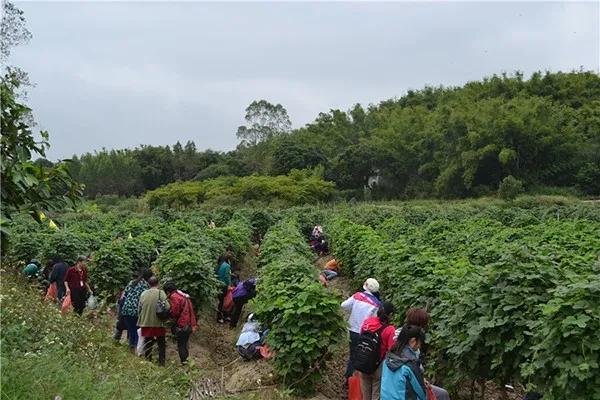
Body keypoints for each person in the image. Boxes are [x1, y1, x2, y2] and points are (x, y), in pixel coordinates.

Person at [394, 308, 450, 400]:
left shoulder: (400, 335)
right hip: (405, 385)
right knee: (441, 394)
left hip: (405, 381)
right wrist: (422, 383)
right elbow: (412, 375)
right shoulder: (408, 348)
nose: (419, 346)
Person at [341, 278, 381, 381]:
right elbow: (375, 319)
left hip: (352, 329)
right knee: (363, 355)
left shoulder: (358, 295)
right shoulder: (377, 304)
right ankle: (358, 380)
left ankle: (349, 379)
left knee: (353, 355)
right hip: (365, 333)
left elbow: (343, 305)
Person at [359, 302, 397, 400]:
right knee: (376, 395)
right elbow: (392, 350)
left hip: (363, 361)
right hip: (378, 366)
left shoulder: (368, 322)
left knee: (365, 394)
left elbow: (361, 336)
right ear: (390, 315)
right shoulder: (390, 329)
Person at [381, 325, 427, 400]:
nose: (419, 346)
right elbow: (421, 392)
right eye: (420, 343)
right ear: (413, 341)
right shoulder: (410, 363)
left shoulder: (388, 358)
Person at [138, 276, 170, 366]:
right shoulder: (161, 293)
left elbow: (139, 308)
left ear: (148, 284)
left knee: (148, 343)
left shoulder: (143, 294)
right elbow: (167, 306)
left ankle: (148, 361)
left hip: (146, 322)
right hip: (158, 322)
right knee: (161, 344)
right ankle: (161, 363)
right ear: (158, 283)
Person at [164, 281, 197, 364]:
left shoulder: (174, 297)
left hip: (182, 324)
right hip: (189, 323)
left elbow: (175, 312)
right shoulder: (183, 295)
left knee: (181, 345)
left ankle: (184, 363)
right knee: (185, 344)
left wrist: (168, 313)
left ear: (167, 291)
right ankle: (187, 362)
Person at [121, 269, 153, 351]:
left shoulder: (132, 282)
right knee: (137, 331)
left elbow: (124, 295)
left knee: (131, 330)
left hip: (126, 309)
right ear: (149, 277)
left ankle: (131, 347)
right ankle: (136, 349)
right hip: (136, 311)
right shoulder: (146, 286)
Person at [216, 254, 232, 323]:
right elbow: (226, 276)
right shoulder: (227, 266)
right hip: (223, 285)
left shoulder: (218, 266)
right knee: (223, 302)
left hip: (218, 285)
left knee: (221, 301)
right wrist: (229, 284)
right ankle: (221, 317)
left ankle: (221, 316)